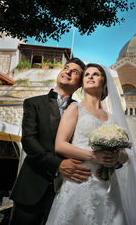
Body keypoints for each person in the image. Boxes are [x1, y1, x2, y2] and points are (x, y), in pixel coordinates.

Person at [46, 64, 136, 225]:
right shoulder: (74, 108)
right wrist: (93, 156)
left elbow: (126, 153)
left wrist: (116, 158)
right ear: (82, 83)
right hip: (80, 179)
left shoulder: (112, 118)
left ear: (104, 83)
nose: (90, 76)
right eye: (87, 75)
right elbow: (60, 145)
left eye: (95, 74)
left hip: (108, 185)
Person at [10, 58, 96, 225]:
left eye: (75, 72)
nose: (68, 72)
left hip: (68, 190)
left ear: (80, 84)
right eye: (66, 68)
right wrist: (58, 165)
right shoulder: (33, 103)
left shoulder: (82, 112)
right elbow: (29, 141)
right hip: (31, 189)